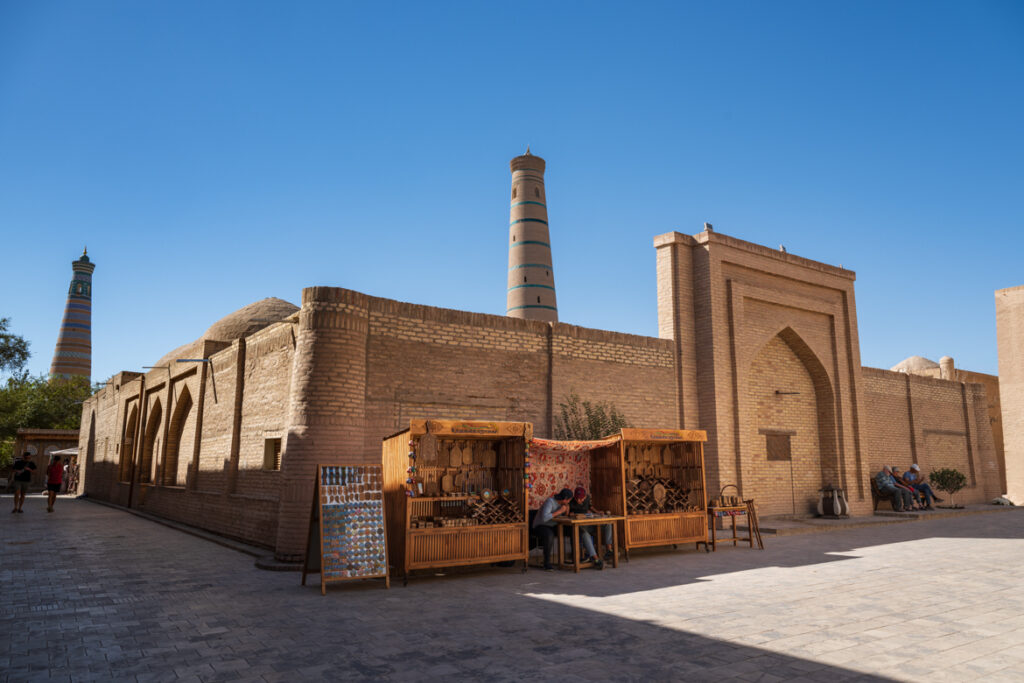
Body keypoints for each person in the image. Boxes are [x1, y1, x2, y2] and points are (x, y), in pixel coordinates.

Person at [569, 486, 610, 568]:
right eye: (577, 499)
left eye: (581, 499)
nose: (579, 500)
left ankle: (609, 549)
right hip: (580, 527)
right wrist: (571, 514)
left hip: (590, 524)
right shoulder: (571, 502)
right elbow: (568, 514)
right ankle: (596, 559)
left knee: (608, 523)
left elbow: (590, 507)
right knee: (584, 534)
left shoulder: (587, 499)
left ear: (584, 497)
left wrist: (598, 512)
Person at [533, 488, 573, 571]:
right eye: (568, 500)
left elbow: (562, 517)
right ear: (565, 499)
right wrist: (559, 511)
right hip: (540, 525)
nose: (569, 502)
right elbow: (544, 518)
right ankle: (546, 563)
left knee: (572, 530)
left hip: (553, 525)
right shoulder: (550, 501)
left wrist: (566, 511)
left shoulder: (562, 505)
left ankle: (574, 558)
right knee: (549, 534)